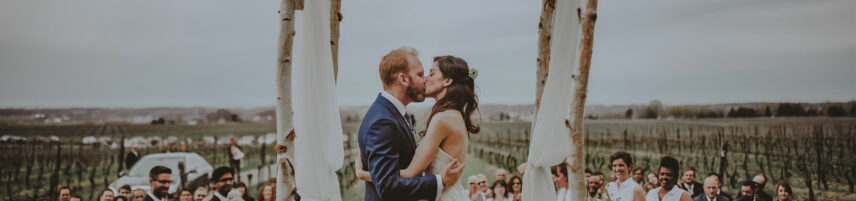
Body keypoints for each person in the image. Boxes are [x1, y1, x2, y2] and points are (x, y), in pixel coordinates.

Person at [355, 48, 472, 201]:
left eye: (430, 73)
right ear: (403, 79)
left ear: (447, 81)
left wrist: (364, 174)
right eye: (421, 74)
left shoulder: (444, 117)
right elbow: (388, 183)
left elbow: (405, 173)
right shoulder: (383, 120)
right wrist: (439, 181)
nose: (425, 79)